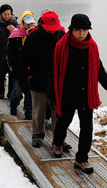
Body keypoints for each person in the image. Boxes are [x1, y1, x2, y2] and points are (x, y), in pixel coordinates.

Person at [51, 14, 107, 174]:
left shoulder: (92, 47)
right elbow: (53, 71)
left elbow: (99, 68)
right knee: (63, 122)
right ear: (71, 30)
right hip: (67, 93)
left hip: (86, 94)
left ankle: (81, 158)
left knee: (87, 128)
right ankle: (58, 143)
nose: (81, 33)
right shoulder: (62, 46)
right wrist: (52, 93)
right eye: (78, 30)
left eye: (84, 30)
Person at [19, 10, 65, 148]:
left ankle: (59, 139)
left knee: (58, 112)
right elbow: (23, 61)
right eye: (49, 29)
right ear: (42, 24)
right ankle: (37, 135)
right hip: (38, 80)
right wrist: (23, 82)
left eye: (54, 28)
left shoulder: (62, 36)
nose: (52, 32)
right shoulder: (32, 37)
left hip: (58, 82)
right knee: (38, 111)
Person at [7, 11, 36, 120]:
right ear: (23, 22)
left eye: (32, 23)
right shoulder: (15, 35)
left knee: (30, 92)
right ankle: (13, 106)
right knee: (17, 92)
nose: (30, 26)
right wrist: (11, 65)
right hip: (18, 69)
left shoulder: (35, 35)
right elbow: (10, 52)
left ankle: (29, 113)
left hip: (31, 70)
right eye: (27, 23)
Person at [0, 4, 17, 98]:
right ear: (1, 13)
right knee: (0, 73)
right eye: (5, 14)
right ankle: (1, 92)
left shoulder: (14, 23)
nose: (7, 16)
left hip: (12, 53)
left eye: (9, 14)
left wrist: (14, 30)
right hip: (0, 52)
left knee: (12, 73)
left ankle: (10, 92)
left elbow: (20, 36)